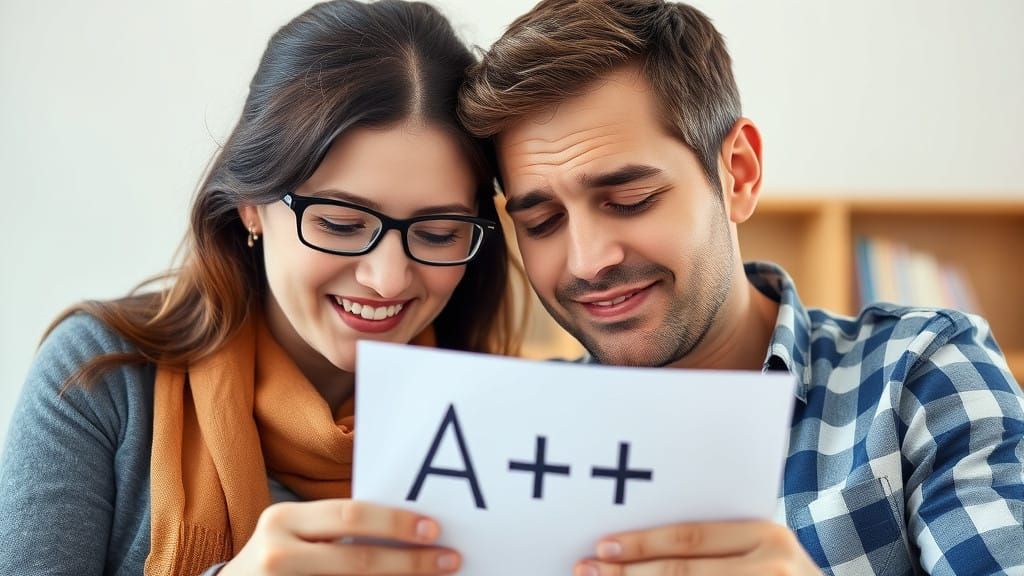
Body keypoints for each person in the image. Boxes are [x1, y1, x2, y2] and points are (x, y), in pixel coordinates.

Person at [459, 0, 1024, 574]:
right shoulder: (507, 431)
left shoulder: (919, 372)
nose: (587, 263)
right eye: (541, 222)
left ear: (739, 172)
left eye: (630, 201)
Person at [0, 1, 525, 575]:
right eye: (340, 224)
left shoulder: (505, 426)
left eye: (439, 232)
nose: (387, 278)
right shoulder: (101, 375)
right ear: (252, 204)